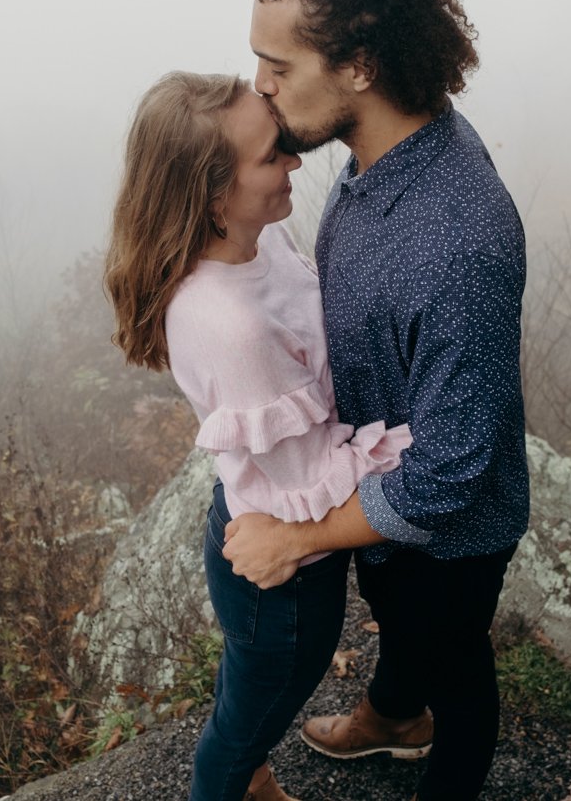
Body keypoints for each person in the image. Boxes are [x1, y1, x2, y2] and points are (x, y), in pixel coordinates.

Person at [220, 0, 530, 801]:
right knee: (400, 621)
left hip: (447, 531)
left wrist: (293, 538)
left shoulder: (459, 238)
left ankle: (435, 751)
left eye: (277, 66)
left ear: (358, 63)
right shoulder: (378, 154)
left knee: (454, 665)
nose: (260, 90)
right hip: (379, 489)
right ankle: (393, 716)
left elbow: (445, 478)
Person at [104, 71, 413, 801]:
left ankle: (254, 783)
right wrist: (417, 446)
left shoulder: (253, 243)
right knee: (244, 723)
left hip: (257, 527)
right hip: (285, 577)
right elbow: (312, 482)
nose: (297, 162)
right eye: (273, 154)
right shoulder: (228, 325)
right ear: (213, 195)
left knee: (247, 697)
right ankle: (232, 785)